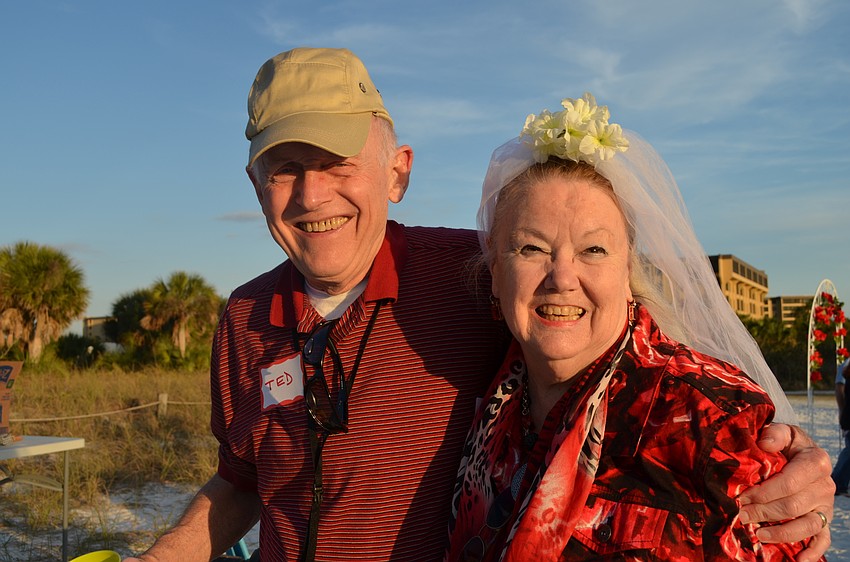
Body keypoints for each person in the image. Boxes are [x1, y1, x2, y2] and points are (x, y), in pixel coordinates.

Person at [127, 49, 833, 562]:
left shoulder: (471, 276)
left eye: (338, 163)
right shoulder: (245, 319)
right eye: (284, 169)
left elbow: (636, 353)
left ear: (397, 171)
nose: (312, 197)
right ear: (255, 183)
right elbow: (241, 480)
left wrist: (783, 459)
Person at [445, 94, 830, 560]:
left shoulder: (710, 423)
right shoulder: (494, 401)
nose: (562, 278)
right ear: (495, 273)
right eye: (531, 248)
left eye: (593, 250)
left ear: (629, 275)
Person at [832, 358, 850, 495]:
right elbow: (840, 389)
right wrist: (842, 411)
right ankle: (837, 483)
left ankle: (839, 483)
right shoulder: (847, 365)